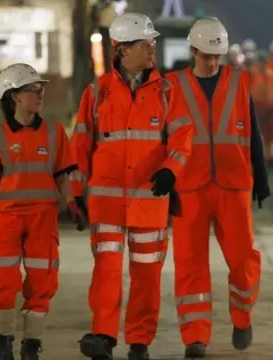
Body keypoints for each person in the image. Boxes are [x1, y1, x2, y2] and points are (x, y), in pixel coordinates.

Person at [70, 12, 193, 360]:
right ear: (122, 49)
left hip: (149, 202)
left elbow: (184, 137)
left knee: (146, 276)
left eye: (152, 43)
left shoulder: (168, 91)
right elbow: (80, 146)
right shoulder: (96, 93)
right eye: (145, 44)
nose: (152, 49)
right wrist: (76, 193)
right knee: (107, 273)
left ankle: (140, 342)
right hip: (107, 204)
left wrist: (171, 170)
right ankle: (104, 337)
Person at [165, 16, 270, 359]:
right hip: (188, 187)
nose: (211, 62)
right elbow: (162, 139)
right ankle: (195, 337)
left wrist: (262, 174)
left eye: (217, 56)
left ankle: (242, 317)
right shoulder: (172, 86)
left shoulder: (239, 82)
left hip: (234, 184)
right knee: (190, 264)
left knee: (243, 259)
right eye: (206, 55)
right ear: (192, 50)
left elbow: (252, 131)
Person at [0, 63, 87, 360]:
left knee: (42, 278)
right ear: (14, 96)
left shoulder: (54, 132)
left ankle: (32, 344)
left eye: (41, 89)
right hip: (7, 217)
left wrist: (72, 203)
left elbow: (62, 174)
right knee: (2, 279)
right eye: (33, 90)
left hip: (42, 218)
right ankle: (3, 340)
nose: (40, 95)